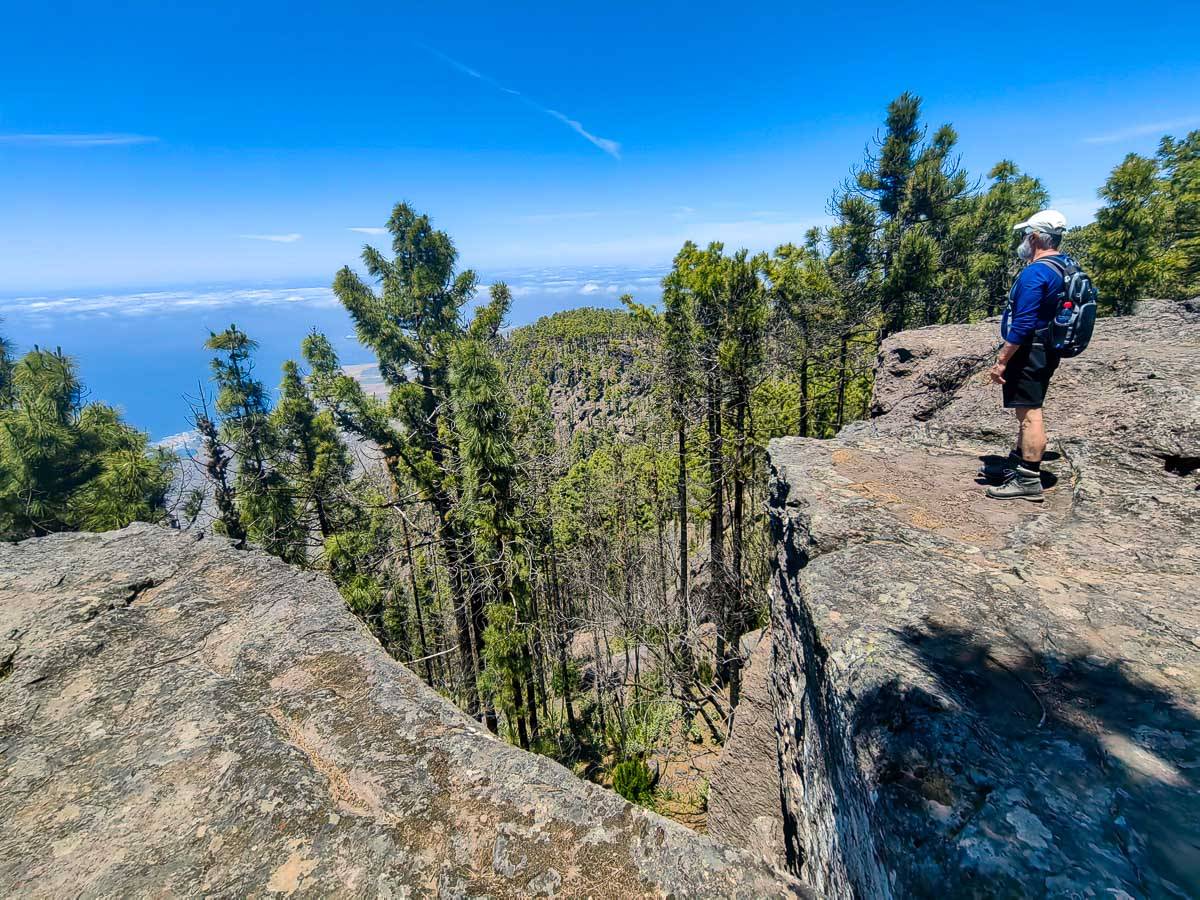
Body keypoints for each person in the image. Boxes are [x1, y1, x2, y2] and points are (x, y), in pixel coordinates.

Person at [984, 209, 1070, 502]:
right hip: (1047, 347)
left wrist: (1003, 359)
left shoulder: (1036, 272)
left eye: (1025, 235)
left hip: (1031, 349)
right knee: (1029, 410)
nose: (1022, 240)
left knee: (1030, 414)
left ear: (1034, 237)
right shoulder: (1064, 266)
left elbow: (1023, 322)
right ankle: (1019, 464)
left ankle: (1028, 479)